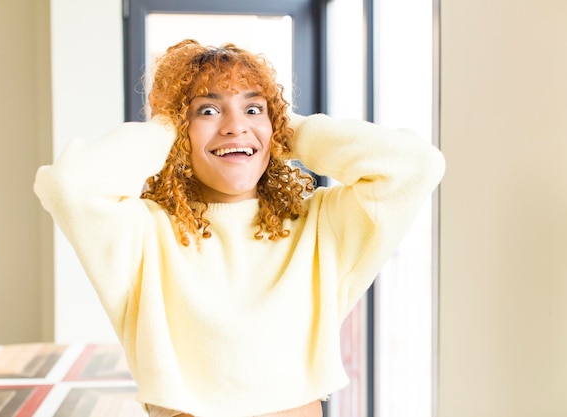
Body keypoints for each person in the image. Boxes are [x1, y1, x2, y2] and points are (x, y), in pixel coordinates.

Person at [34, 39, 445, 417]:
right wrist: (167, 129)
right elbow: (69, 185)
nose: (235, 126)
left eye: (253, 108)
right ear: (180, 130)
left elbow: (416, 165)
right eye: (207, 110)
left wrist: (290, 129)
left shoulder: (319, 227)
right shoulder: (143, 234)